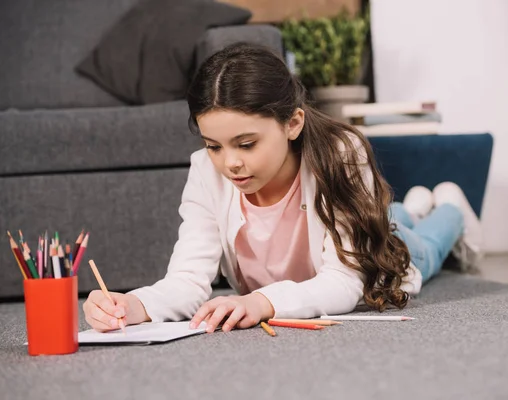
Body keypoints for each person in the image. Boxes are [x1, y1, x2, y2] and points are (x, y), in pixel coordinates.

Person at [83, 43, 483, 333]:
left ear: (292, 123)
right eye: (213, 146)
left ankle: (450, 206)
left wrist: (263, 301)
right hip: (358, 225)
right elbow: (188, 278)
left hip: (375, 253)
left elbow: (345, 280)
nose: (230, 163)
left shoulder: (341, 155)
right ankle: (411, 205)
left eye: (246, 144)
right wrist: (135, 304)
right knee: (394, 215)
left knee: (421, 249)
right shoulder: (206, 171)